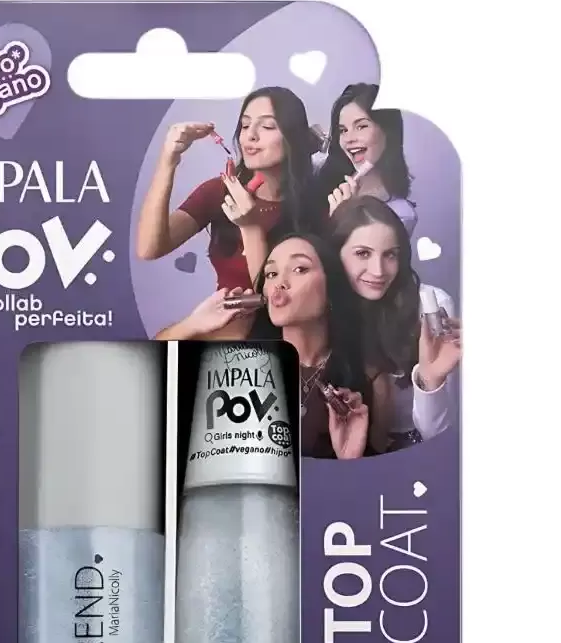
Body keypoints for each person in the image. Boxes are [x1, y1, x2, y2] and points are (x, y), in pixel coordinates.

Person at [156, 232, 374, 460]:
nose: (279, 283)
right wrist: (194, 323)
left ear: (331, 288)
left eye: (300, 269)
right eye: (271, 273)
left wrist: (348, 459)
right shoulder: (239, 355)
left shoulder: (359, 382)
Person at [135, 86, 320, 288]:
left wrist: (250, 226)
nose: (250, 135)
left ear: (294, 136)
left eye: (267, 126)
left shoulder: (316, 202)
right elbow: (149, 249)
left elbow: (274, 296)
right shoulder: (220, 192)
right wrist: (168, 161)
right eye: (245, 125)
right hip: (219, 309)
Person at [328, 195, 461, 450]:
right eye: (362, 253)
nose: (378, 271)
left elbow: (437, 433)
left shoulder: (430, 306)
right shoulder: (322, 306)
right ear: (336, 253)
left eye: (390, 255)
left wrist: (430, 380)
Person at [313, 83, 418, 237]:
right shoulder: (322, 170)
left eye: (361, 126)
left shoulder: (401, 214)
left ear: (388, 132)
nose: (349, 139)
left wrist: (342, 217)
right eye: (343, 130)